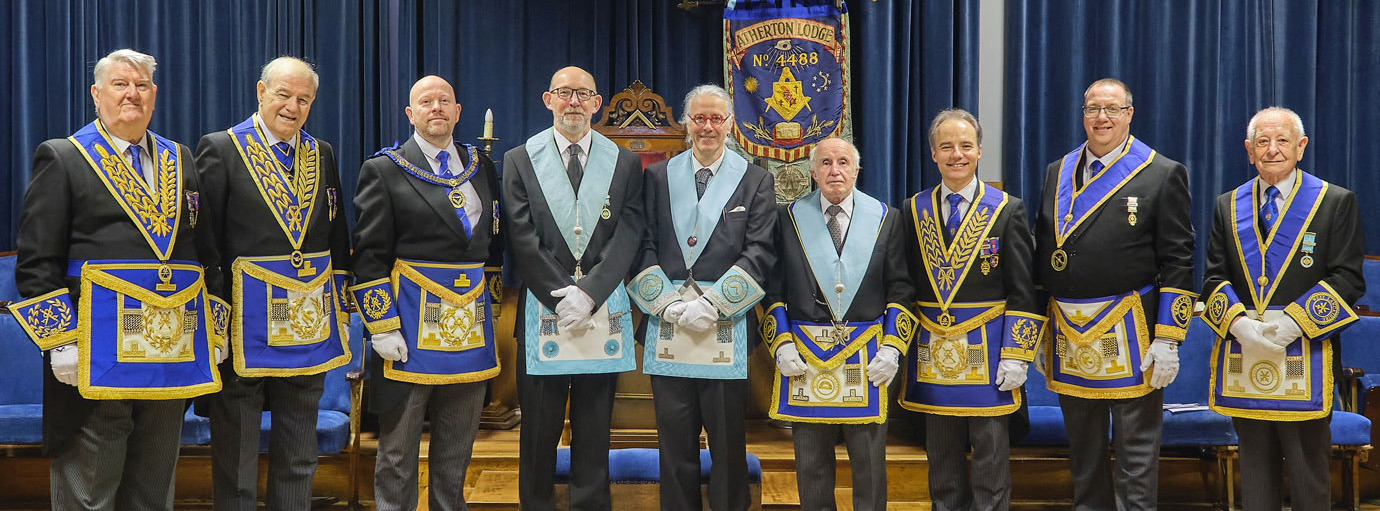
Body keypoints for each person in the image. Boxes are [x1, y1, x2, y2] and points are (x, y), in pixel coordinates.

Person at [12, 48, 226, 510]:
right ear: (96, 94)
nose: (132, 94)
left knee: (153, 493)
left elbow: (204, 252)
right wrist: (58, 341)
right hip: (94, 356)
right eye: (120, 84)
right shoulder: (64, 157)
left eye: (142, 86)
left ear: (155, 95)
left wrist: (217, 326)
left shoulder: (181, 158)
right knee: (90, 493)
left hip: (173, 355)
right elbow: (36, 261)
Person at [195, 56, 352, 511]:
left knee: (299, 454)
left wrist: (338, 307)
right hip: (242, 330)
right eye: (284, 95)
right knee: (237, 456)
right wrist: (215, 319)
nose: (293, 106)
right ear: (261, 92)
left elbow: (335, 234)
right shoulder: (220, 148)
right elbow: (207, 242)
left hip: (307, 326)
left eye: (304, 99)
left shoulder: (321, 152)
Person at [1032, 78, 1195, 510]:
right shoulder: (1057, 171)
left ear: (1129, 114)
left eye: (1111, 109)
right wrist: (1034, 332)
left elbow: (1179, 260)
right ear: (1083, 115)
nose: (1101, 118)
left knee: (1135, 454)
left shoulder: (1162, 173)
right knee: (1083, 453)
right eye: (1092, 109)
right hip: (1068, 329)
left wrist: (1169, 338)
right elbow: (1042, 253)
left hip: (1133, 328)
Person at [350, 75, 504, 511]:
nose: (436, 108)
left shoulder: (481, 165)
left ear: (457, 111)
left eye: (444, 101)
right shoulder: (384, 169)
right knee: (398, 454)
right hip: (408, 333)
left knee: (456, 452)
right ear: (411, 114)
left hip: (469, 332)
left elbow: (494, 249)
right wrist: (381, 326)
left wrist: (490, 311)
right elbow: (369, 256)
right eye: (426, 101)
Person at [1200, 107, 1363, 511]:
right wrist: (1237, 324)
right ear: (1249, 150)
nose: (1272, 150)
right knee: (1255, 472)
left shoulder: (1334, 202)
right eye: (1262, 142)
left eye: (1282, 141)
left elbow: (1348, 278)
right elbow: (1213, 278)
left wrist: (1295, 322)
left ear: (1301, 146)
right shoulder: (1227, 204)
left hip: (1306, 356)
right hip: (1246, 353)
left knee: (1309, 474)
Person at [501, 65, 645, 510]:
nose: (574, 102)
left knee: (594, 427)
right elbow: (520, 237)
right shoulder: (519, 159)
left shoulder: (624, 161)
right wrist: (561, 294)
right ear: (548, 100)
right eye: (564, 93)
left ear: (597, 104)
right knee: (539, 430)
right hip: (543, 310)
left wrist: (590, 293)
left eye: (583, 94)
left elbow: (630, 229)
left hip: (601, 309)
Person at [626, 84, 775, 511]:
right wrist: (667, 304)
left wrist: (712, 305)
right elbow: (643, 243)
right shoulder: (656, 176)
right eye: (699, 118)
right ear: (686, 124)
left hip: (725, 326)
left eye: (716, 118)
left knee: (728, 441)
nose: (707, 127)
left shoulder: (755, 180)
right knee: (674, 441)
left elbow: (760, 250)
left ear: (731, 124)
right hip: (667, 322)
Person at [898, 109, 1045, 511]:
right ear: (933, 154)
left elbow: (1024, 291)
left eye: (965, 146)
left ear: (980, 151)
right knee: (941, 463)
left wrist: (1018, 356)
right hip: (932, 357)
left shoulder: (1006, 209)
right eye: (946, 146)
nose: (956, 154)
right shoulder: (913, 210)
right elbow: (904, 286)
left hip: (990, 358)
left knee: (990, 461)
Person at [763, 137, 916, 511]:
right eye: (826, 163)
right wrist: (780, 343)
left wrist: (894, 348)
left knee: (868, 467)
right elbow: (773, 289)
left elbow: (901, 290)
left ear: (856, 170)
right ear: (812, 173)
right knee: (811, 466)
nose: (835, 171)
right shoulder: (787, 218)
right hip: (804, 356)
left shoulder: (887, 218)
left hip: (866, 359)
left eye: (843, 162)